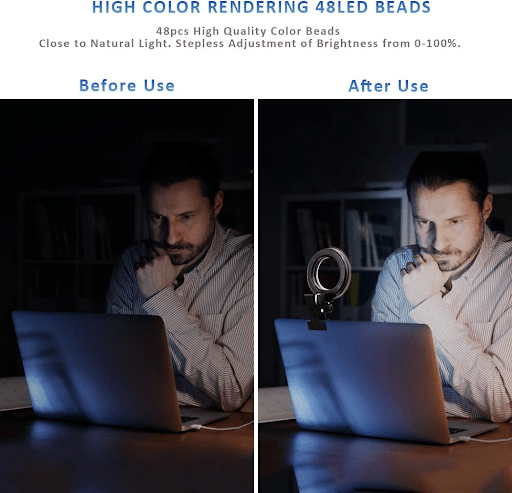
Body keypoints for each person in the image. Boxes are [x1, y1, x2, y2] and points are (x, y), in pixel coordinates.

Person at [106, 143, 253, 411]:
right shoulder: (130, 264)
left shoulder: (248, 263)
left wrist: (160, 297)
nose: (170, 237)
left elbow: (231, 391)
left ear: (216, 204)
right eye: (157, 217)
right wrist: (209, 397)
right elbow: (115, 379)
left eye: (186, 217)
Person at [371, 152, 512, 423]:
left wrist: (428, 304)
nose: (437, 243)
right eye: (424, 223)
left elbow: (502, 402)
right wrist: (473, 403)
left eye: (454, 222)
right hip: (400, 438)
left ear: (486, 208)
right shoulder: (396, 267)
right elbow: (380, 386)